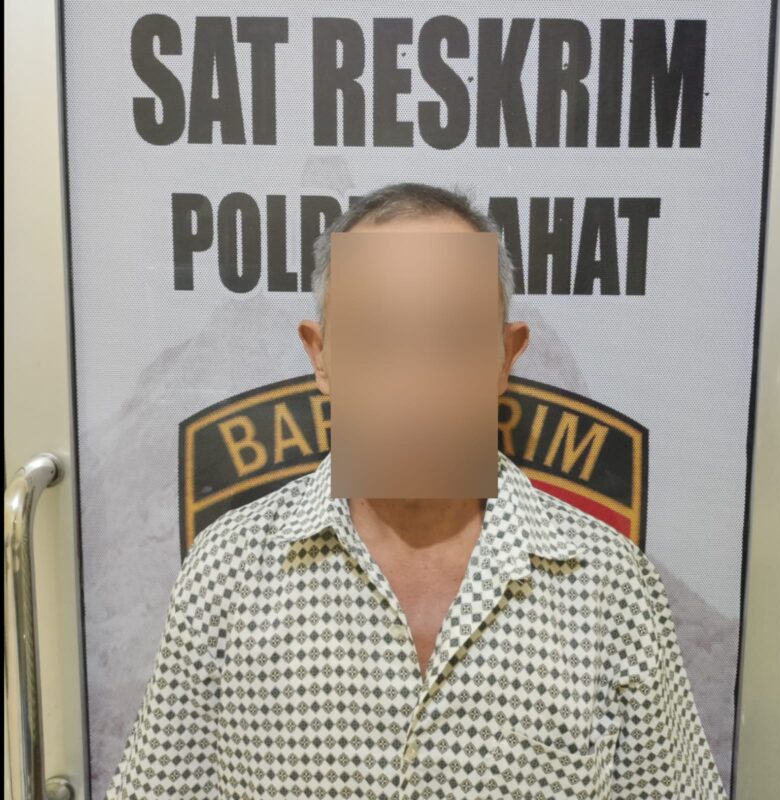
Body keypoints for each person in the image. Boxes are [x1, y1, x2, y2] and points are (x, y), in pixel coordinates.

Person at [106, 182, 728, 799]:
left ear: (504, 356)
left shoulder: (610, 585)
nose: (414, 386)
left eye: (452, 340)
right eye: (376, 340)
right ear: (322, 356)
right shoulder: (226, 573)